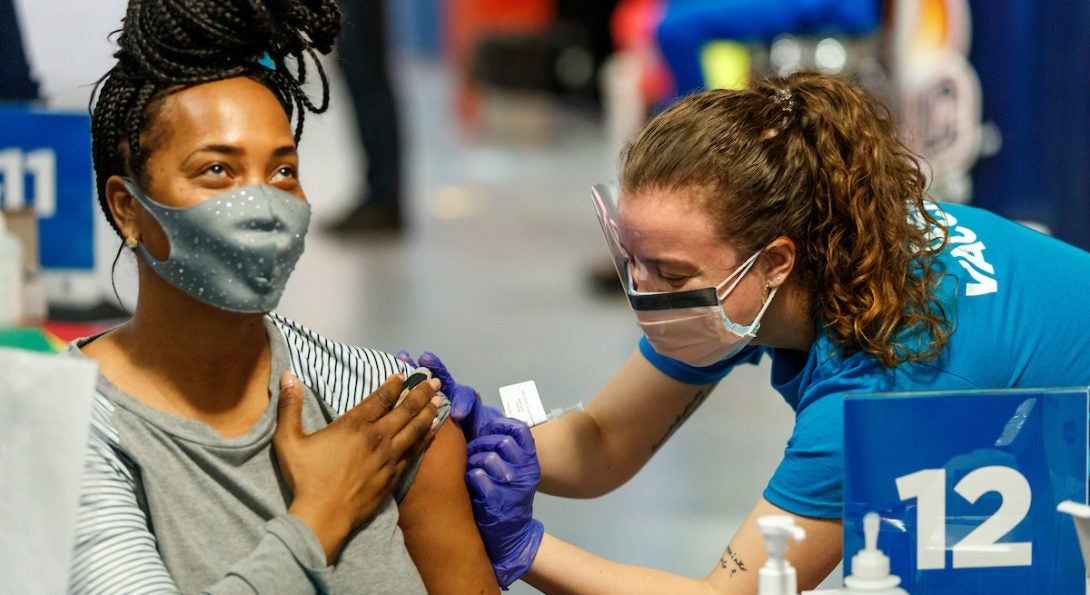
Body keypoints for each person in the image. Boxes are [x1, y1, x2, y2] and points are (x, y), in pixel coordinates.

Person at [409, 71, 1090, 592]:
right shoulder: (785, 270)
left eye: (668, 272)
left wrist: (525, 547)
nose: (645, 293)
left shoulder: (880, 385)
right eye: (634, 262)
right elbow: (607, 438)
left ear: (774, 261)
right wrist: (489, 440)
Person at [66, 0, 498, 592]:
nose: (264, 206)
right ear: (127, 207)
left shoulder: (380, 406)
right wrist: (315, 520)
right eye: (217, 170)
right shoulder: (72, 423)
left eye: (282, 171)